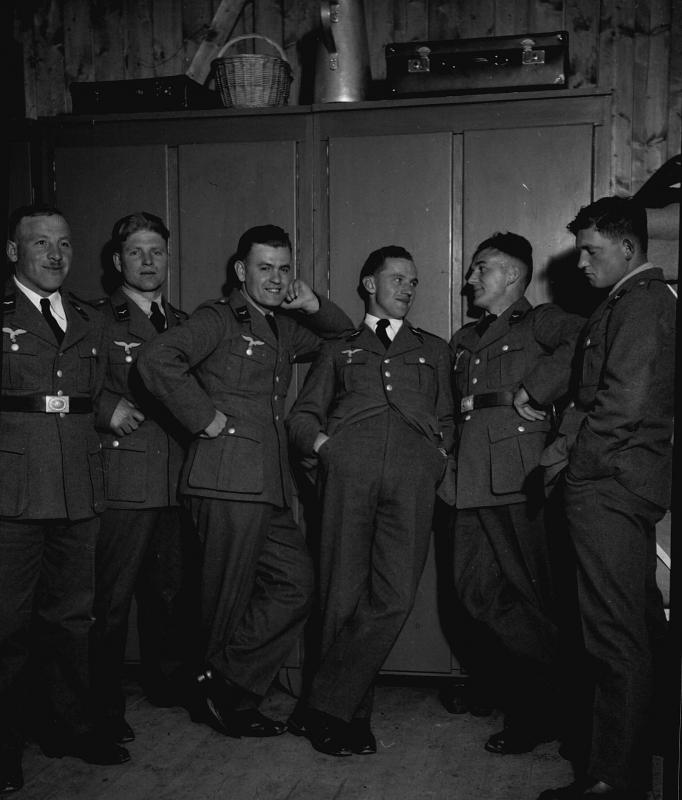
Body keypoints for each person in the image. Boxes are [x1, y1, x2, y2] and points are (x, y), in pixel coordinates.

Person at [135, 224, 353, 739]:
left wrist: (312, 302)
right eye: (264, 268)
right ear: (240, 271)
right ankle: (226, 702)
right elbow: (155, 358)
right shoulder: (218, 319)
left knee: (296, 584)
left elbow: (343, 338)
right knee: (225, 600)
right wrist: (201, 416)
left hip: (265, 483)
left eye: (284, 269)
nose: (276, 278)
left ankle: (222, 680)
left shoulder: (281, 326)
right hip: (225, 478)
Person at [285, 245, 456, 756]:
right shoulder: (339, 348)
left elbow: (447, 419)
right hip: (349, 474)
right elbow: (302, 416)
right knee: (341, 595)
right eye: (397, 278)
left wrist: (435, 459)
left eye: (413, 281)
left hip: (411, 478)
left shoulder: (434, 349)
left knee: (394, 596)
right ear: (369, 284)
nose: (408, 288)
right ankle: (350, 718)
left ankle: (321, 705)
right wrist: (326, 450)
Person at [538, 197, 675, 800]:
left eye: (591, 251)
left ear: (627, 247)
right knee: (636, 626)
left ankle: (610, 782)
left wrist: (578, 473)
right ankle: (635, 763)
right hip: (623, 482)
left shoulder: (641, 303)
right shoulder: (628, 301)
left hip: (609, 487)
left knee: (612, 637)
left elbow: (622, 404)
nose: (582, 263)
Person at [0, 205, 130, 795]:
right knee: (7, 626)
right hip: (13, 493)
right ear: (14, 252)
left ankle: (69, 728)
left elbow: (89, 393)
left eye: (64, 244)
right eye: (40, 243)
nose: (55, 255)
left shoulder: (87, 318)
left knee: (73, 620)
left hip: (78, 488)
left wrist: (110, 410)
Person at [448, 232, 584, 755]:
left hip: (518, 474)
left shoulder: (540, 321)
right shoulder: (464, 338)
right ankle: (539, 692)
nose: (470, 279)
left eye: (480, 268)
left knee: (532, 598)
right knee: (475, 592)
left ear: (511, 275)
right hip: (468, 478)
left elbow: (588, 337)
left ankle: (541, 708)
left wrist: (538, 388)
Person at [90, 212, 196, 747]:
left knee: (171, 592)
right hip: (125, 477)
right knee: (110, 601)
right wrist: (104, 408)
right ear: (118, 261)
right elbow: (69, 380)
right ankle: (101, 705)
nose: (148, 261)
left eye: (156, 251)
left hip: (177, 476)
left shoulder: (184, 323)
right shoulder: (96, 319)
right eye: (136, 252)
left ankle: (167, 682)